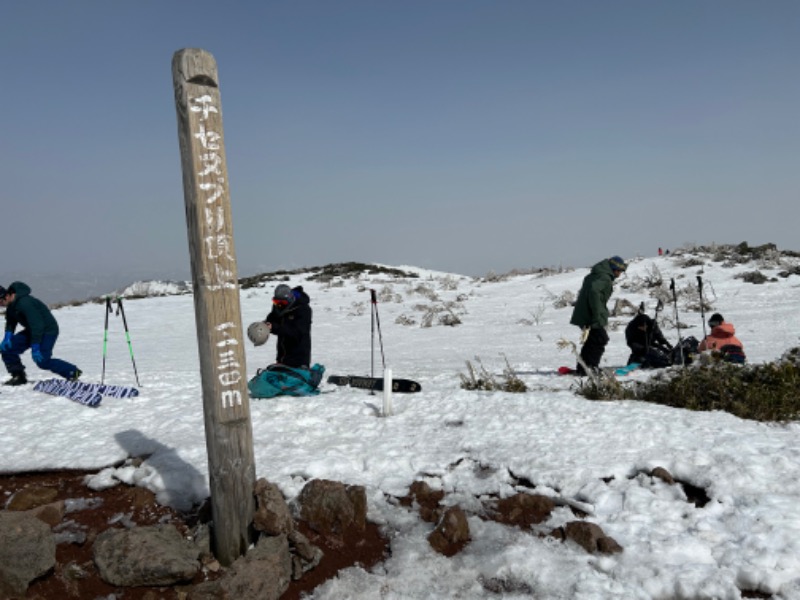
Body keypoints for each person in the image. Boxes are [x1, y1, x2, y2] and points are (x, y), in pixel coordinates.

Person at [0, 282, 82, 385]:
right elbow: (11, 321)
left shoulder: (25, 303)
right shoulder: (11, 305)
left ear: (6, 296)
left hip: (48, 330)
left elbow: (37, 325)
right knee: (7, 349)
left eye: (0, 302)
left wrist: (35, 346)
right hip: (33, 330)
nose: (0, 305)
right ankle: (18, 376)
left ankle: (72, 372)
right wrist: (8, 335)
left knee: (43, 361)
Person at [569, 256, 627, 375]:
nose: (620, 274)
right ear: (613, 268)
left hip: (584, 313)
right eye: (619, 271)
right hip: (591, 314)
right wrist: (598, 313)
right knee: (600, 339)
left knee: (591, 340)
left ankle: (584, 368)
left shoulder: (595, 274)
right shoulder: (605, 277)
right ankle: (590, 368)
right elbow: (594, 291)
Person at [262, 283, 312, 368]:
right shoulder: (279, 307)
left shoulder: (303, 309)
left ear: (290, 299)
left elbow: (297, 331)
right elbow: (273, 318)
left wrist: (274, 327)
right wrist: (266, 324)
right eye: (276, 302)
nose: (279, 304)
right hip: (282, 356)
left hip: (299, 359)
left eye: (282, 302)